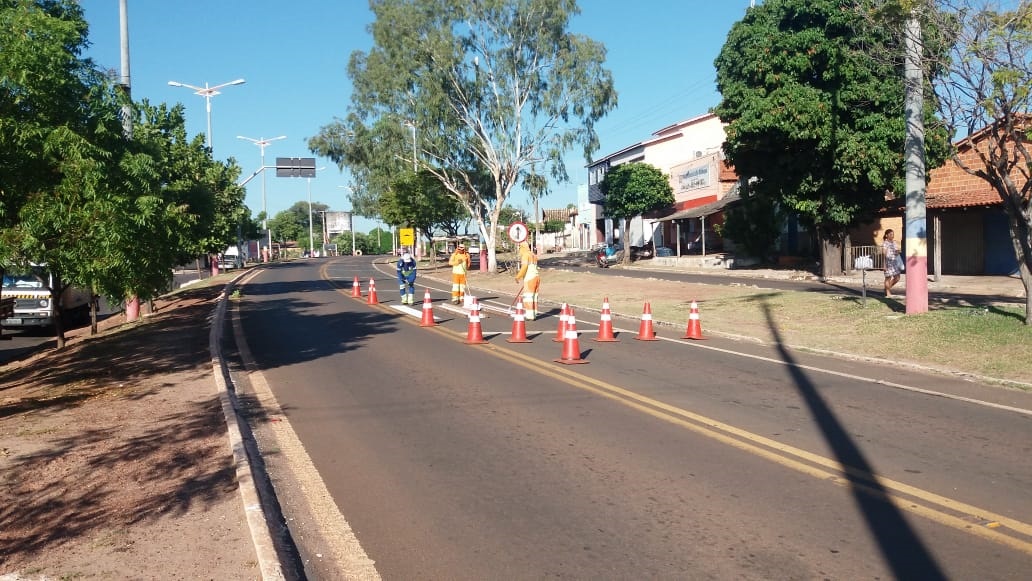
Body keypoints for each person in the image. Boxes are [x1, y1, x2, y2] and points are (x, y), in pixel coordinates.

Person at [514, 241, 541, 319]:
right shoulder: (533, 255)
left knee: (528, 297)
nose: (519, 250)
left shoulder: (525, 255)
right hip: (537, 277)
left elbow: (524, 267)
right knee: (534, 297)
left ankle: (529, 315)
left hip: (530, 278)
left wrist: (518, 277)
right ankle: (534, 313)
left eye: (520, 248)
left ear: (522, 248)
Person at [882, 229, 902, 298]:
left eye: (893, 234)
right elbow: (884, 254)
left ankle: (887, 288)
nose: (892, 236)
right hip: (888, 262)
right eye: (890, 234)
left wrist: (898, 252)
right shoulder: (885, 243)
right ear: (886, 235)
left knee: (897, 277)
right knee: (888, 278)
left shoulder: (894, 242)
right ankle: (888, 293)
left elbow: (895, 252)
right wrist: (884, 264)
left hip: (895, 262)